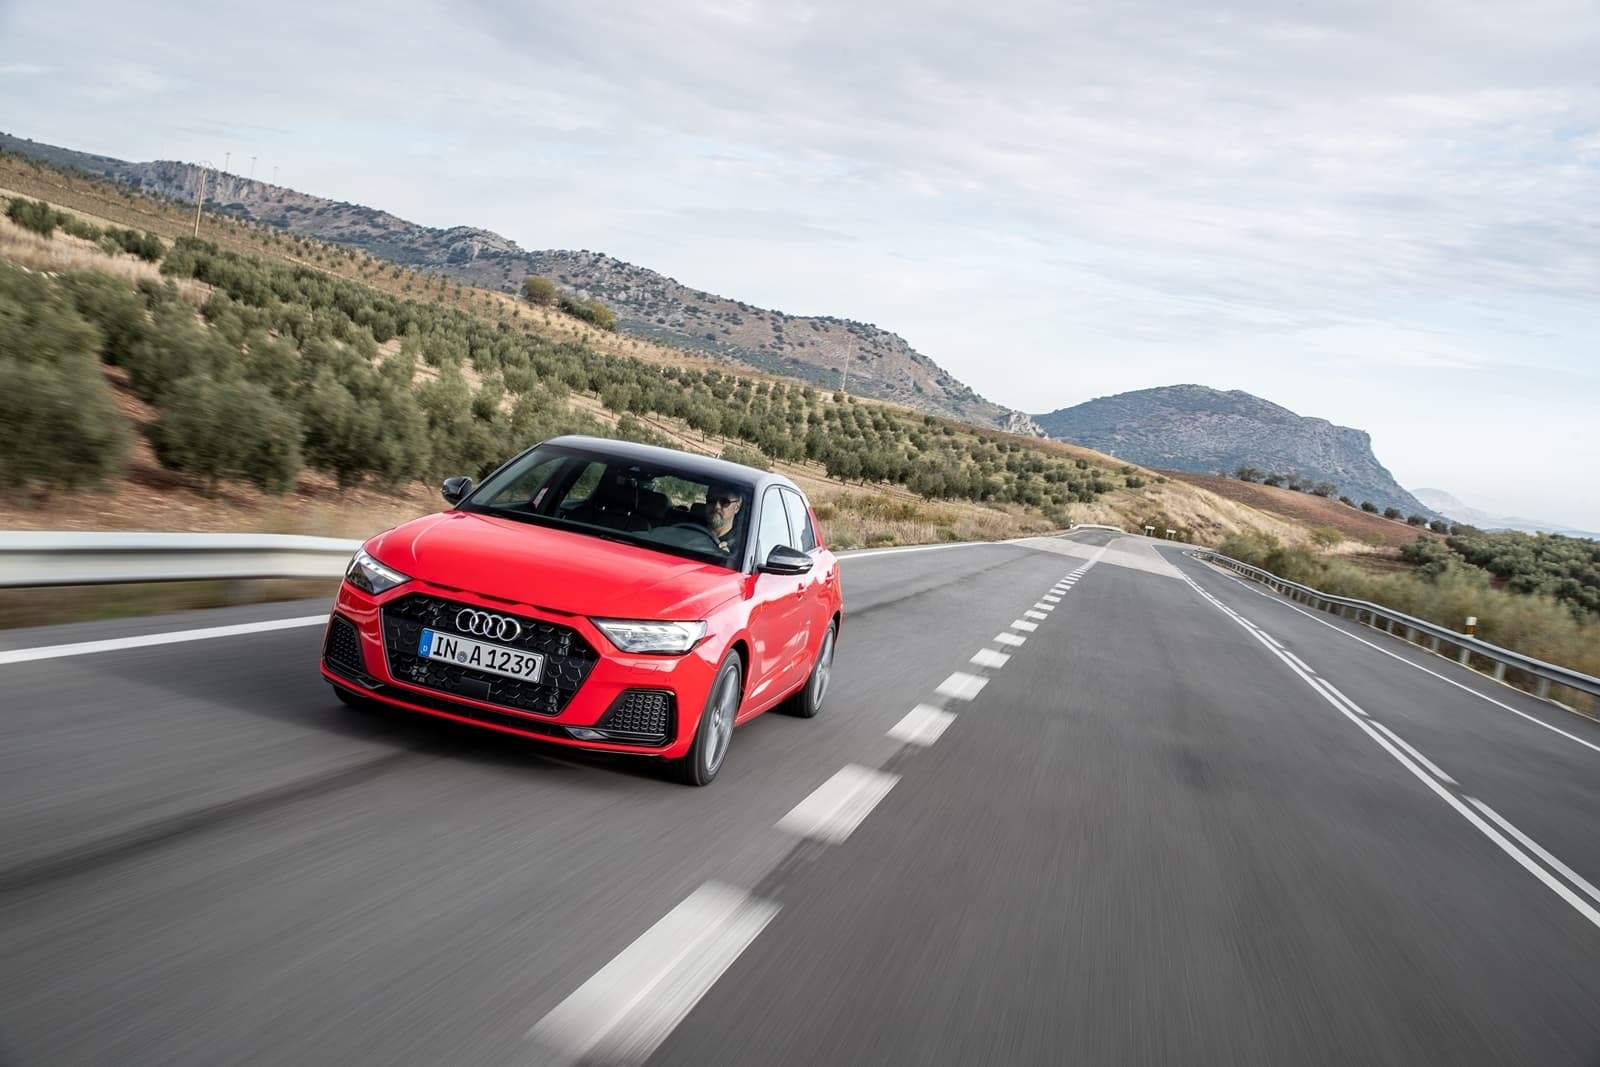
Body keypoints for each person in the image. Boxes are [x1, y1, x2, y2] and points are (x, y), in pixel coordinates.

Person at [701, 483, 743, 553]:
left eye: (724, 502)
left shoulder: (743, 547)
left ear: (737, 508)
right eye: (711, 500)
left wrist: (727, 560)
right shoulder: (687, 531)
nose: (716, 506)